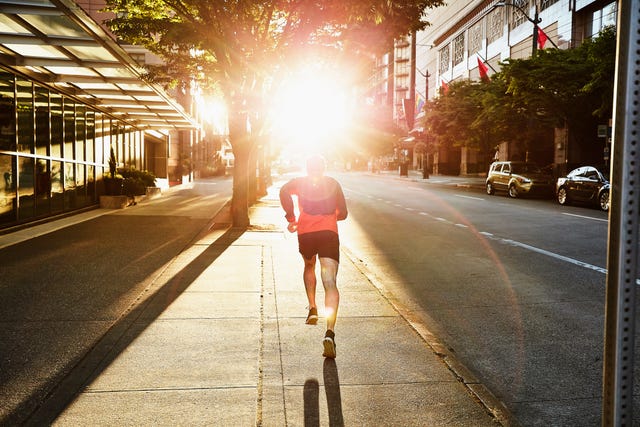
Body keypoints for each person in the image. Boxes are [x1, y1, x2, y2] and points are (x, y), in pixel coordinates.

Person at [279, 155, 348, 358]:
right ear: (324, 168)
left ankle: (312, 307)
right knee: (330, 281)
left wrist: (291, 218)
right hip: (328, 233)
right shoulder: (333, 184)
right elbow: (343, 213)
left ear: (307, 168)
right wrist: (330, 214)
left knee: (309, 266)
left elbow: (283, 191)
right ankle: (330, 333)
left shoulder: (299, 183)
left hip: (306, 233)